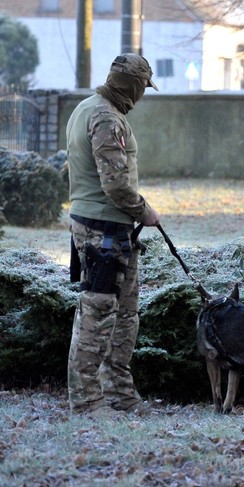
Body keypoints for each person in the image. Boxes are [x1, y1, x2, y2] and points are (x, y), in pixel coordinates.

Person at [66, 53, 161, 417]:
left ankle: (120, 394)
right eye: (142, 88)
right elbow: (116, 185)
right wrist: (145, 211)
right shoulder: (105, 116)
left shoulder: (87, 108)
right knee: (98, 313)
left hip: (112, 228)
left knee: (125, 313)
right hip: (101, 229)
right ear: (132, 86)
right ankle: (88, 402)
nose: (141, 97)